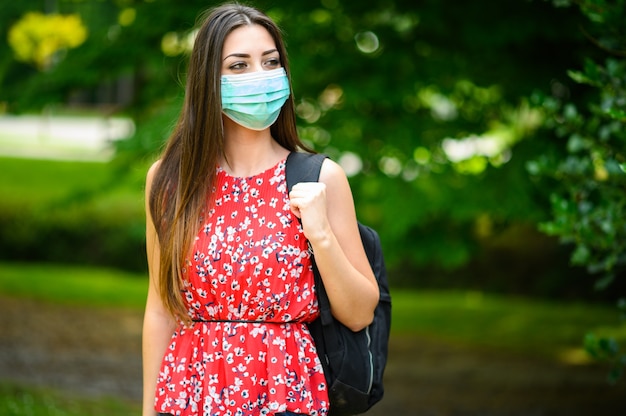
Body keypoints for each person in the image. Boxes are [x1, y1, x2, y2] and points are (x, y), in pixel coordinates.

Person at [142, 3, 379, 415]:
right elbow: (161, 309)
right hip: (190, 391)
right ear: (207, 80)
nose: (261, 77)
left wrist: (321, 235)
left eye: (271, 63)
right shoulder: (169, 181)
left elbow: (360, 314)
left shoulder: (320, 178)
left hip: (285, 394)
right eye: (239, 66)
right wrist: (148, 410)